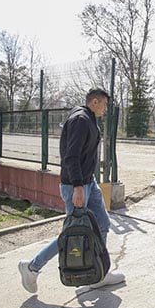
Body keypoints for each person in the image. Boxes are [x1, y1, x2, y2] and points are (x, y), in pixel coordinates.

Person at [18, 88, 125, 293]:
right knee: (72, 232)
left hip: (89, 182)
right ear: (94, 102)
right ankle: (32, 267)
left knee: (102, 223)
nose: (106, 109)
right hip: (76, 185)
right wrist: (77, 187)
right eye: (104, 104)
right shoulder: (81, 120)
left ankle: (98, 272)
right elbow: (71, 156)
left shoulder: (90, 118)